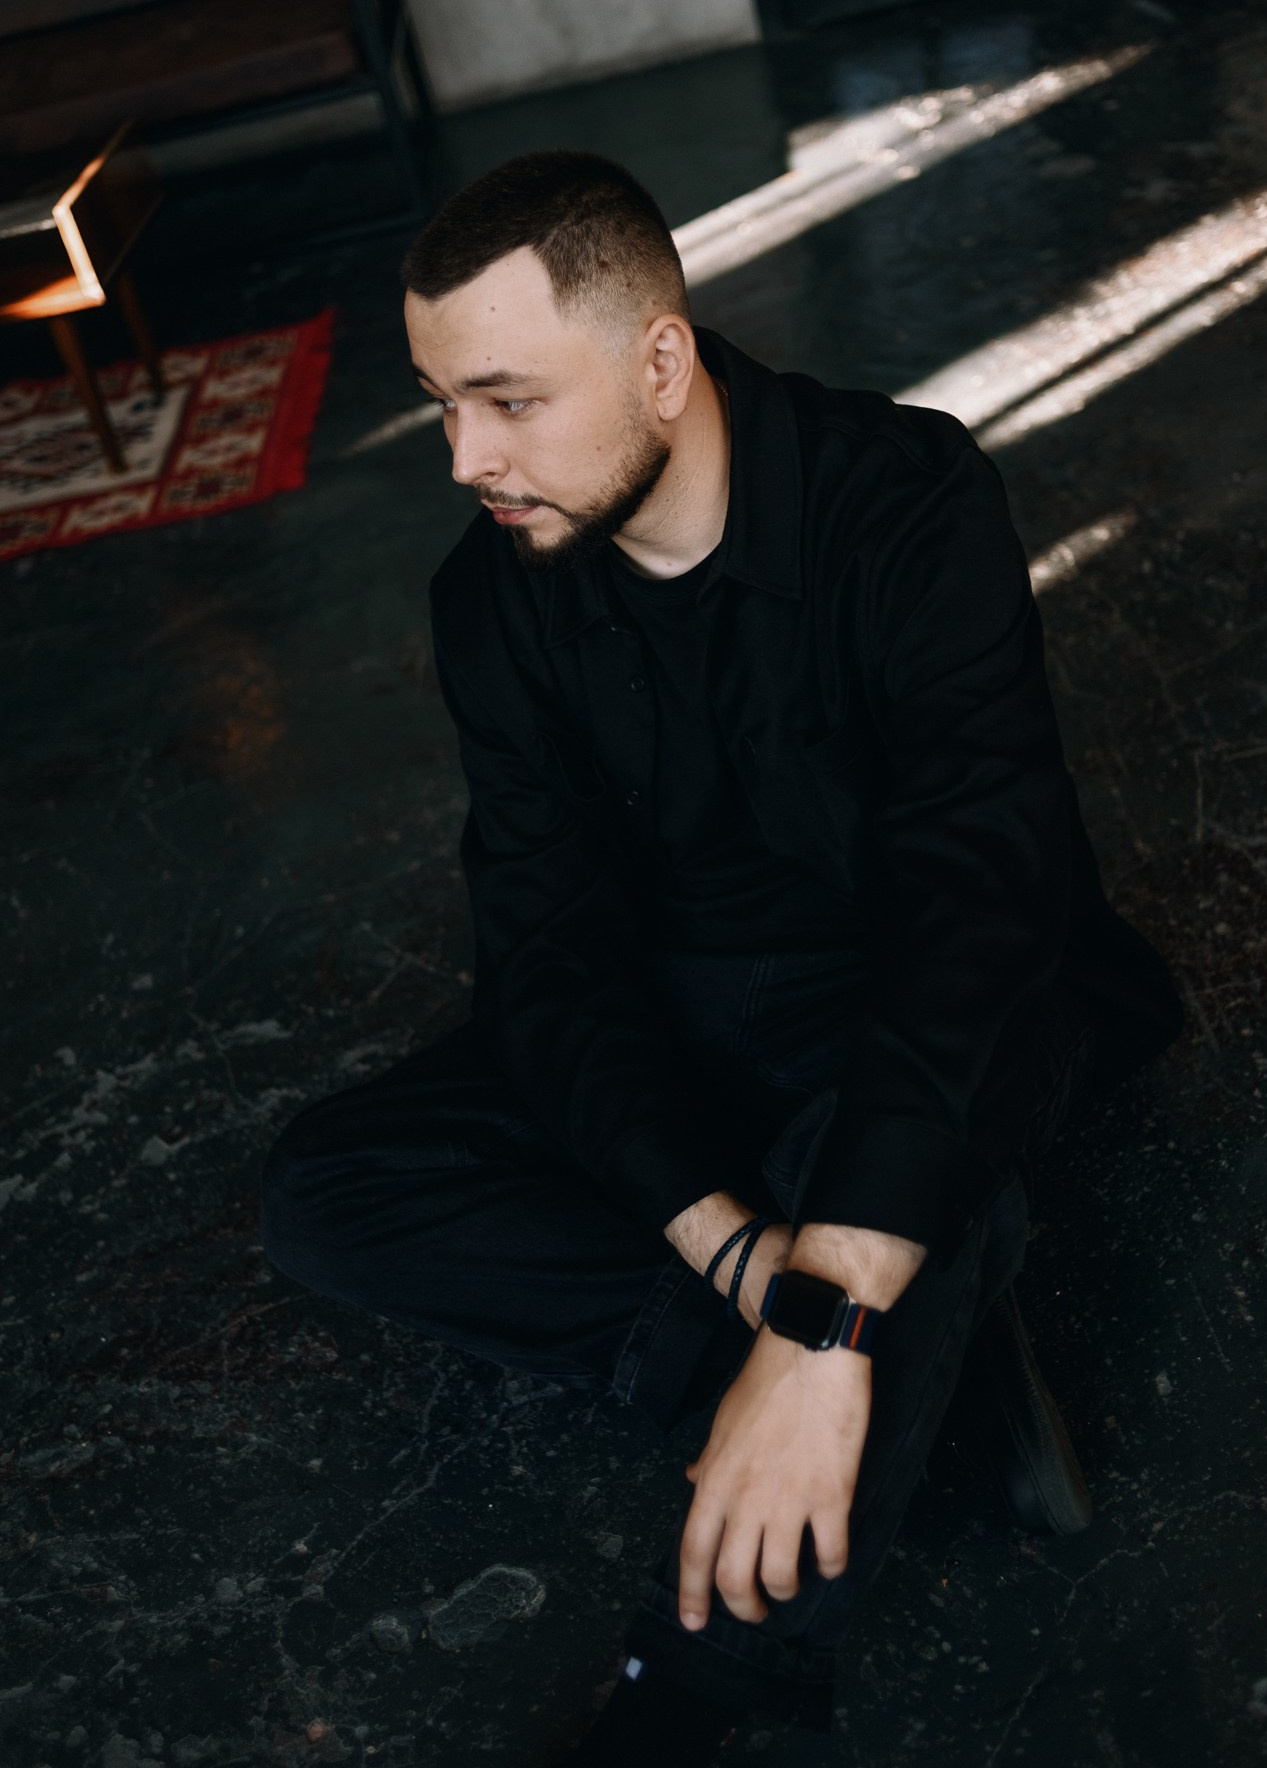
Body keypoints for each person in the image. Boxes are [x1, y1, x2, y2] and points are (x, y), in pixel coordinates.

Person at [259, 149, 1184, 1763]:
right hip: (688, 1026)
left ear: (661, 362)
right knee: (329, 1193)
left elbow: (975, 906)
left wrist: (835, 1275)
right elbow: (545, 963)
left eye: (507, 401)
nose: (467, 458)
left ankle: (710, 1696)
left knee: (893, 1152)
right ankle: (918, 1371)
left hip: (930, 1008)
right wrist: (767, 1280)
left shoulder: (903, 498)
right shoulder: (492, 598)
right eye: (440, 405)